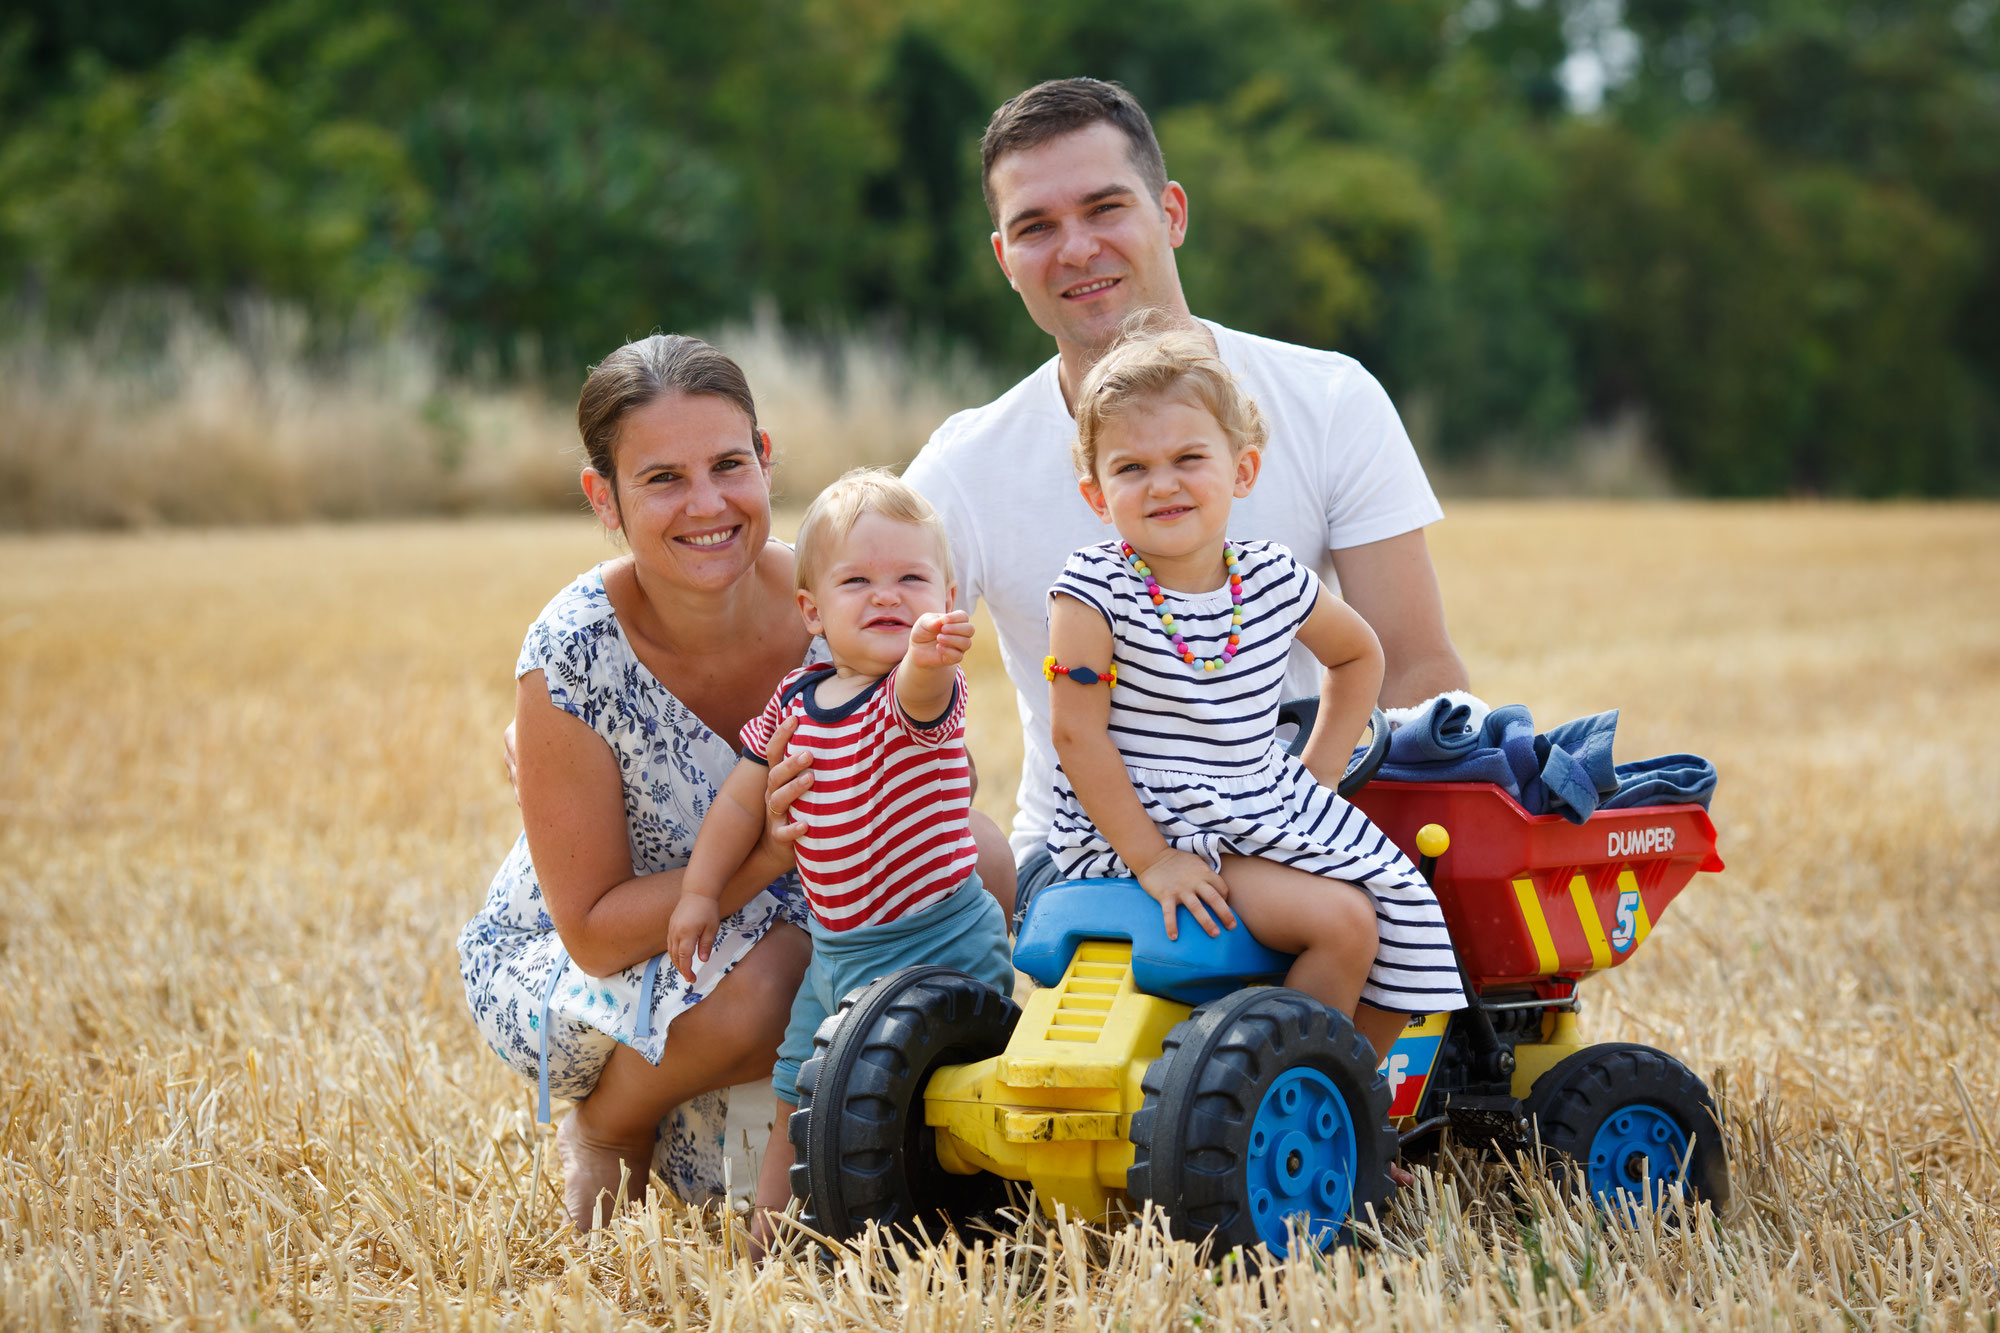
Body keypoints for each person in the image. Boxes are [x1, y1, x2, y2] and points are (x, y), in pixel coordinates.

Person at [901, 77, 1470, 1047]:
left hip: (1281, 822)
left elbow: (1410, 665)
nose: (1075, 248)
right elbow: (843, 615)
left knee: (1409, 956)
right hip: (1089, 849)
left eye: (1104, 207)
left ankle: (1334, 1091)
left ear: (1169, 212)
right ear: (1004, 259)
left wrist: (1318, 803)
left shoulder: (1328, 400)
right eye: (1034, 226)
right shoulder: (969, 461)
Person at [460, 336, 1014, 1233]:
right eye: (663, 478)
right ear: (604, 497)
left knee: (980, 859)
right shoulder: (570, 655)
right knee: (774, 985)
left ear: (764, 458)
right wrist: (759, 858)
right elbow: (596, 932)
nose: (708, 504)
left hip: (816, 910)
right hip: (633, 944)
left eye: (727, 464)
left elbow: (945, 773)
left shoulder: (838, 592)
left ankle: (896, 1111)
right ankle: (612, 1119)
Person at [1045, 320, 1467, 1056]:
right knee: (1344, 920)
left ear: (1242, 470)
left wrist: (1322, 770)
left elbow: (1359, 656)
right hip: (1141, 821)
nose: (1164, 482)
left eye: (1188, 458)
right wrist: (1153, 857)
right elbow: (1075, 735)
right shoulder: (1092, 592)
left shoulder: (1270, 576)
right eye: (1132, 468)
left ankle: (1355, 1097)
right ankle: (1271, 1093)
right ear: (1095, 491)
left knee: (1407, 904)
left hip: (1253, 800)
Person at [665, 468, 1014, 1244]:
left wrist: (929, 654)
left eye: (911, 579)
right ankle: (769, 1233)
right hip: (836, 951)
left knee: (954, 1081)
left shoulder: (916, 694)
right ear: (811, 610)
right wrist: (699, 890)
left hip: (939, 939)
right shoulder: (796, 699)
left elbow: (923, 687)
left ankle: (978, 1217)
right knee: (799, 1088)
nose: (888, 595)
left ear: (946, 596)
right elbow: (737, 800)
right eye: (859, 580)